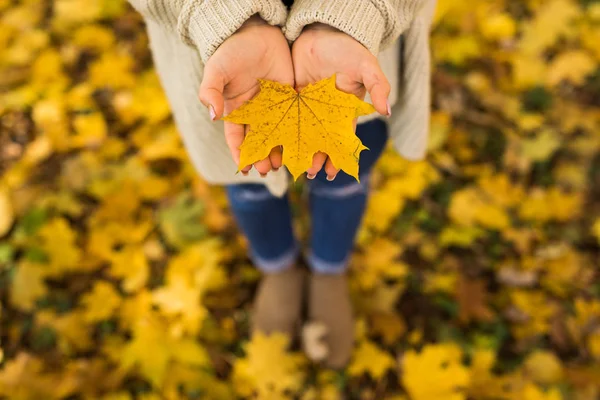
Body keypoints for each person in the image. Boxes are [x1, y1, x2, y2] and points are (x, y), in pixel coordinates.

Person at [128, 0, 436, 368]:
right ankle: (277, 267)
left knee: (344, 173)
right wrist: (222, 16)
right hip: (220, 59)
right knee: (246, 177)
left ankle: (329, 268)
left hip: (354, 58)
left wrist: (355, 14)